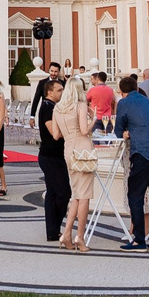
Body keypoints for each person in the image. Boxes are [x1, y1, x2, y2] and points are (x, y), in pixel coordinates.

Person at [115, 73, 149, 249]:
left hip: (143, 153)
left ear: (122, 92)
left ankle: (139, 239)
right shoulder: (146, 101)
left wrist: (124, 132)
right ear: (137, 88)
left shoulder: (124, 103)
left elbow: (118, 130)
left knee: (135, 195)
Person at [60, 75, 101, 252]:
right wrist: (94, 119)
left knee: (76, 194)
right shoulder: (81, 105)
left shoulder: (58, 108)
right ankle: (80, 237)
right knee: (84, 196)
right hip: (83, 149)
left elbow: (56, 134)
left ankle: (67, 234)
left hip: (68, 148)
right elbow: (84, 130)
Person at [34, 76, 73, 243]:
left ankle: (53, 230)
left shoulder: (52, 106)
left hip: (53, 155)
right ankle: (54, 227)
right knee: (63, 192)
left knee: (53, 193)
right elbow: (53, 132)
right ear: (50, 92)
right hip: (50, 156)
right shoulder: (48, 107)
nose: (62, 93)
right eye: (59, 90)